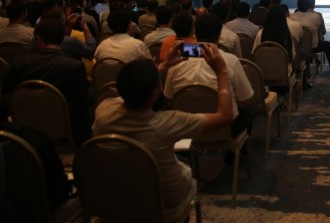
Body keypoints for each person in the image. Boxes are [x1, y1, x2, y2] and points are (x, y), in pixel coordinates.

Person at [93, 48, 234, 223]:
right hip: (163, 199)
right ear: (156, 92)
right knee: (184, 162)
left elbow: (129, 93)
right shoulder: (167, 123)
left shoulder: (103, 110)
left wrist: (164, 65)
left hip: (116, 193)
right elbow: (225, 117)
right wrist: (221, 72)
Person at [3, 18, 92, 146]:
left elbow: (6, 93)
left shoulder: (20, 63)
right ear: (62, 39)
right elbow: (82, 103)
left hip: (24, 128)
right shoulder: (74, 66)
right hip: (65, 127)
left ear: (37, 38)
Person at [163, 14, 253, 138]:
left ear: (195, 32)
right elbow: (245, 99)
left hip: (186, 128)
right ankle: (236, 149)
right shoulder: (231, 61)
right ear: (219, 35)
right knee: (248, 112)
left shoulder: (177, 61)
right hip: (223, 129)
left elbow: (168, 97)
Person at [289, 0, 330, 74]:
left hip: (296, 47)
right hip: (313, 47)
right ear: (309, 5)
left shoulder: (291, 17)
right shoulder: (316, 16)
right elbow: (322, 31)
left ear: (297, 5)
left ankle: (312, 59)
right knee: (327, 45)